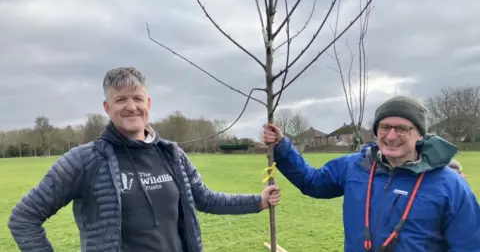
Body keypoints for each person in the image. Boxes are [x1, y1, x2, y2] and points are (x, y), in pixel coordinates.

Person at [8, 67, 280, 252]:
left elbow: (205, 198)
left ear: (148, 103)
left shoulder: (171, 154)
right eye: (120, 99)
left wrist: (258, 201)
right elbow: (24, 218)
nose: (131, 106)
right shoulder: (85, 160)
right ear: (107, 107)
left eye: (137, 98)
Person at [263, 96, 480, 251]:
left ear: (420, 135)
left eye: (402, 128)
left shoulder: (449, 185)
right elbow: (312, 182)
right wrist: (282, 147)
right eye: (384, 127)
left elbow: (469, 245)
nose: (391, 136)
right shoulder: (355, 166)